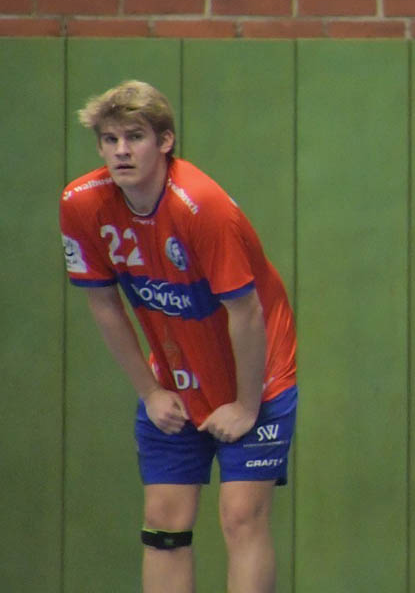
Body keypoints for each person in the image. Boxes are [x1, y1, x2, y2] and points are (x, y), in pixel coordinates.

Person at [59, 80, 298, 593]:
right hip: (175, 374)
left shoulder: (202, 206)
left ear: (165, 141)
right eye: (109, 139)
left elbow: (247, 313)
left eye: (135, 137)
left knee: (241, 516)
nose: (121, 151)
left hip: (256, 374)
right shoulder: (81, 203)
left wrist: (247, 405)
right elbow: (104, 303)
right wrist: (150, 392)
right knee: (164, 522)